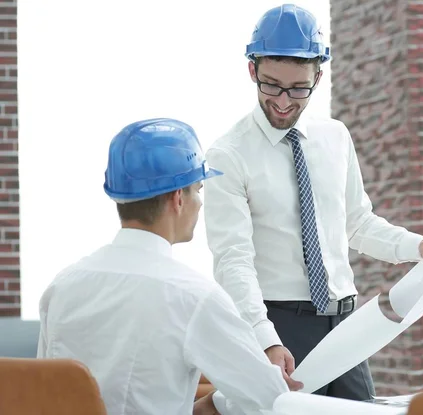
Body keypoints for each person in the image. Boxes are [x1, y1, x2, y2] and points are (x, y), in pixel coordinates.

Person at [203, 3, 423, 402]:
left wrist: (419, 247)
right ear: (252, 70)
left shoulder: (335, 137)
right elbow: (233, 261)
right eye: (271, 84)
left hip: (344, 324)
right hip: (280, 324)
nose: (282, 100)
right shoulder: (229, 154)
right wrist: (265, 340)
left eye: (298, 88)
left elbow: (359, 225)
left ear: (318, 76)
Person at [36, 118, 301, 415]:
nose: (200, 203)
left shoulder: (61, 287)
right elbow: (271, 399)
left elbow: (45, 390)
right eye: (198, 189)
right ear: (178, 198)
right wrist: (215, 402)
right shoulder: (194, 297)